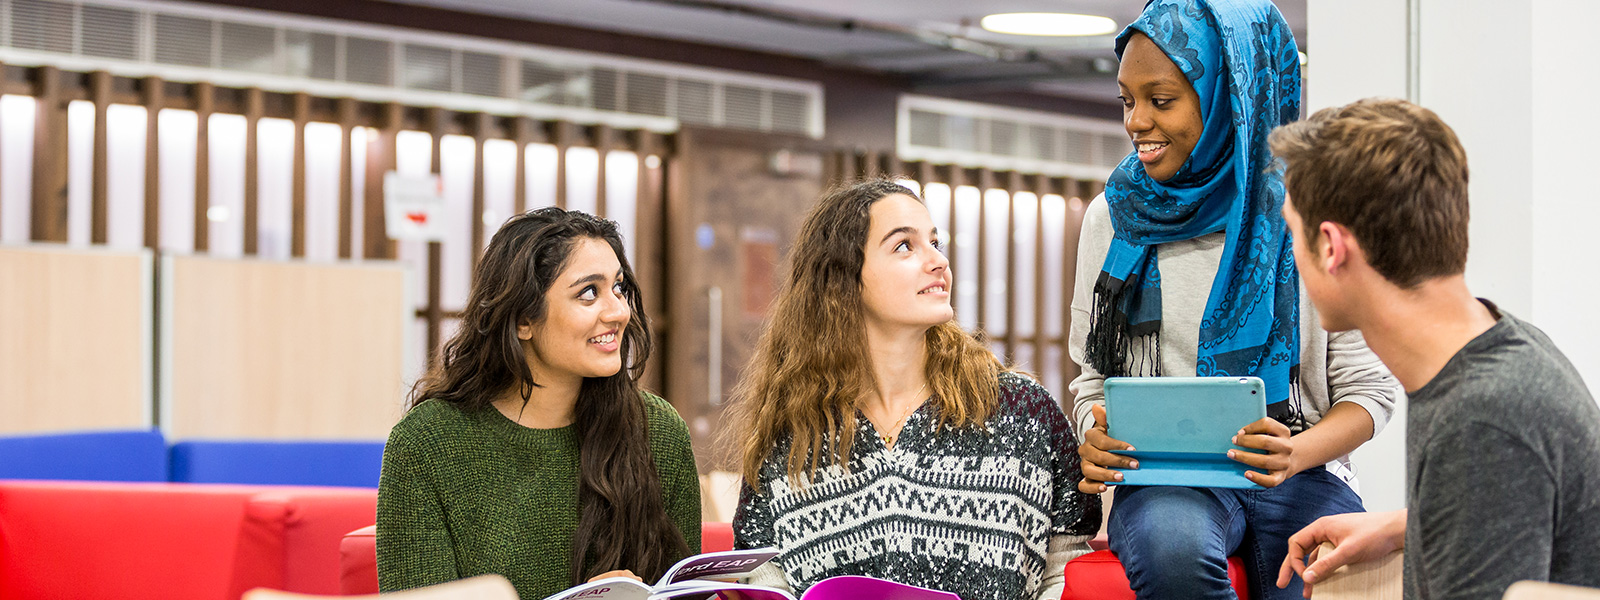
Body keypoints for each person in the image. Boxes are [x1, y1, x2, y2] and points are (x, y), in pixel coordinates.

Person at [1066, 1, 1401, 599]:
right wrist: (1096, 433)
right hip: (1166, 475)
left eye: (1161, 100)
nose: (1136, 121)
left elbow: (1369, 397)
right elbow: (1095, 380)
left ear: (1229, 97)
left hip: (1304, 470)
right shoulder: (1113, 217)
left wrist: (1293, 454)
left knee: (1321, 568)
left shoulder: (1309, 215)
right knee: (1172, 551)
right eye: (1127, 100)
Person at [1269, 98, 1600, 599]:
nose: (1290, 255)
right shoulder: (1502, 345)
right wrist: (1413, 526)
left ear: (1332, 247)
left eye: (1292, 233)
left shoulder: (1481, 420)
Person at [726, 180, 1101, 600]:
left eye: (935, 242)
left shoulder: (1022, 410)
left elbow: (1065, 568)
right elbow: (763, 574)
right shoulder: (792, 431)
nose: (938, 260)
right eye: (905, 246)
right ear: (843, 278)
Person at [376, 208, 700, 599]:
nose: (618, 311)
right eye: (588, 292)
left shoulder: (658, 431)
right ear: (522, 320)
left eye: (618, 288)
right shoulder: (426, 444)